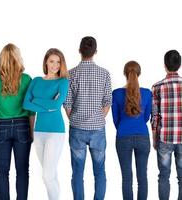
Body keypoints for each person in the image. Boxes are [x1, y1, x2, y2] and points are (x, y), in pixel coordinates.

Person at [63, 36, 112, 200]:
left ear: (79, 51)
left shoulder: (70, 74)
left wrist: (75, 119)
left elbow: (67, 103)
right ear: (95, 52)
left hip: (77, 128)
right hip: (98, 129)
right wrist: (97, 118)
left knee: (77, 172)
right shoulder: (104, 74)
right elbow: (107, 102)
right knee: (100, 171)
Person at [0, 43, 34, 200]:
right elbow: (30, 110)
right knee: (22, 170)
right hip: (23, 125)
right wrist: (32, 131)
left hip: (1, 126)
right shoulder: (27, 79)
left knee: (2, 170)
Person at [23, 48, 68, 200]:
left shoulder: (63, 82)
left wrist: (36, 100)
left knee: (47, 175)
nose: (55, 65)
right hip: (39, 132)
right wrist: (47, 104)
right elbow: (26, 104)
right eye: (51, 61)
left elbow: (57, 105)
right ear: (46, 62)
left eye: (58, 62)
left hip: (56, 131)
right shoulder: (36, 81)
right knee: (50, 174)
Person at [112, 61, 151, 200]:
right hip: (143, 137)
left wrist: (124, 128)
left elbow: (116, 119)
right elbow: (146, 117)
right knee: (142, 177)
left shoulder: (116, 93)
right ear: (139, 74)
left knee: (127, 178)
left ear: (124, 74)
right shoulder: (147, 93)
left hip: (123, 137)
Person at [151, 50, 182, 200]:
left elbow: (155, 117)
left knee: (163, 176)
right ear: (179, 65)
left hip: (164, 138)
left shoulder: (157, 87)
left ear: (165, 66)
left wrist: (154, 139)